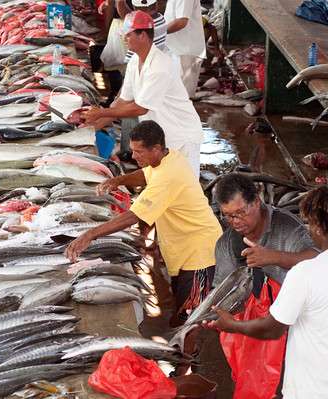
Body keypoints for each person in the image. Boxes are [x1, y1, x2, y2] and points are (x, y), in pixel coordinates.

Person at [208, 185, 328, 399]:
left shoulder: (305, 273)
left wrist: (231, 325)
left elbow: (271, 329)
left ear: (317, 227)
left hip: (315, 390)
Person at [65, 120, 222, 325]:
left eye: (139, 152)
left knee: (190, 317)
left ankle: (188, 353)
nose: (133, 156)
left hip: (200, 254)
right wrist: (118, 181)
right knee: (181, 304)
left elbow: (134, 215)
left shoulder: (169, 176)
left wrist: (90, 234)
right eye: (133, 150)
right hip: (183, 248)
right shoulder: (167, 158)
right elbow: (146, 174)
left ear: (156, 148)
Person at [83, 11, 204, 176]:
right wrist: (90, 128)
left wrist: (101, 112)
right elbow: (123, 101)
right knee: (162, 183)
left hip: (181, 136)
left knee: (185, 186)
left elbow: (140, 108)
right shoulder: (134, 61)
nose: (125, 39)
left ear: (143, 36)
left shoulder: (160, 66)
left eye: (128, 35)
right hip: (159, 137)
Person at [213, 173, 318, 288]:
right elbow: (222, 289)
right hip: (250, 305)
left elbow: (316, 259)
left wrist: (274, 257)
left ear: (257, 201)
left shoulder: (287, 226)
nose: (235, 221)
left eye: (241, 212)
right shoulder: (225, 244)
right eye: (228, 215)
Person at [164, 0, 206, 96]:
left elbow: (181, 22)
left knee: (182, 97)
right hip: (177, 49)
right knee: (175, 95)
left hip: (185, 52)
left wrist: (157, 33)